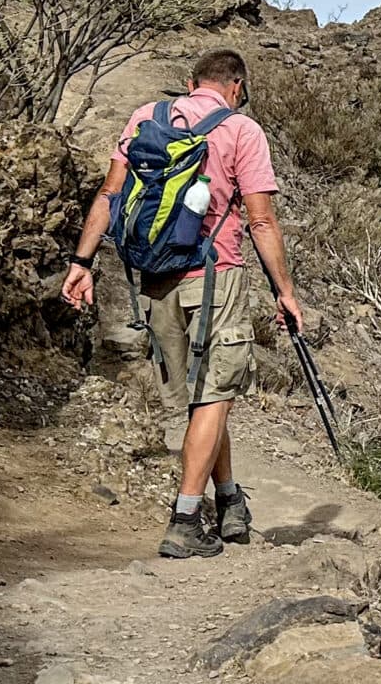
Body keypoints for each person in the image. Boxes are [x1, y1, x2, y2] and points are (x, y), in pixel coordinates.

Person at [60, 48, 304, 558]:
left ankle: (230, 502)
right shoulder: (241, 131)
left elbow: (109, 194)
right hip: (216, 278)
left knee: (204, 397)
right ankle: (185, 521)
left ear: (191, 82)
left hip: (155, 279)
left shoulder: (145, 117)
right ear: (237, 86)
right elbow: (261, 221)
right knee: (215, 397)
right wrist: (285, 292)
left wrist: (81, 263)